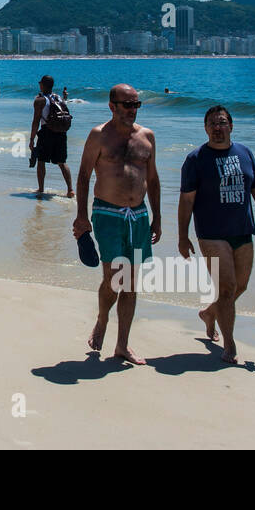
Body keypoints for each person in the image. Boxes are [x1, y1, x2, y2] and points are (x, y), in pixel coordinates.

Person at [177, 105, 255, 364]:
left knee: (240, 286)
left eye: (222, 122)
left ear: (231, 126)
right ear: (205, 128)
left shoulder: (245, 153)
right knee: (227, 289)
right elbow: (186, 201)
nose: (217, 127)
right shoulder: (195, 159)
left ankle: (210, 313)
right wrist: (183, 236)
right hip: (211, 234)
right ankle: (230, 344)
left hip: (243, 230)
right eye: (212, 123)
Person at [71, 84, 160, 365]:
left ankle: (122, 345)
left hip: (139, 215)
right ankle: (101, 319)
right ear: (112, 106)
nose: (132, 110)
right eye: (127, 105)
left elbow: (153, 179)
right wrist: (81, 216)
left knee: (131, 282)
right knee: (113, 278)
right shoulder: (99, 136)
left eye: (136, 105)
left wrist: (157, 216)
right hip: (107, 213)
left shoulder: (147, 137)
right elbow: (84, 176)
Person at [30, 75, 74, 197]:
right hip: (61, 133)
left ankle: (41, 188)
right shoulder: (59, 97)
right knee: (62, 162)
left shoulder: (40, 100)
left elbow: (36, 121)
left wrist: (31, 139)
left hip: (46, 132)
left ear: (42, 85)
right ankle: (70, 190)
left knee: (41, 160)